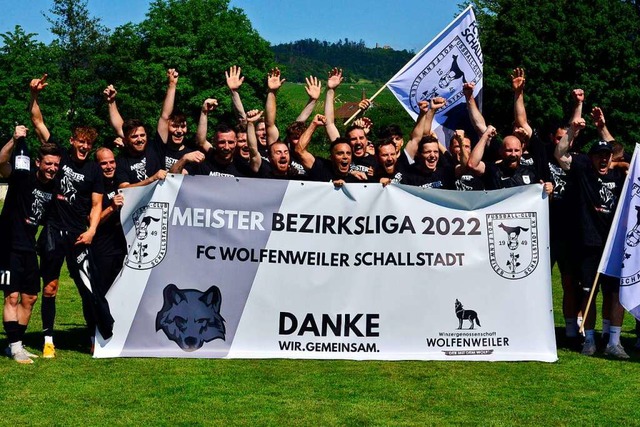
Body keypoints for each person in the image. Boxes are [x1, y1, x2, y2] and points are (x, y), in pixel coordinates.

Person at [29, 73, 111, 357]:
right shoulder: (60, 155)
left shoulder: (94, 171)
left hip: (79, 235)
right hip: (53, 231)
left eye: (88, 144)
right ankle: (48, 340)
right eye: (80, 141)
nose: (84, 147)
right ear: (73, 141)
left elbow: (97, 205)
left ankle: (93, 337)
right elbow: (38, 122)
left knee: (87, 289)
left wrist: (91, 231)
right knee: (50, 287)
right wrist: (35, 96)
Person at [554, 116, 628, 358]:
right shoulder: (583, 172)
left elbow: (618, 151)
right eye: (599, 156)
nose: (604, 159)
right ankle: (590, 339)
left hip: (614, 245)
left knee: (615, 294)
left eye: (607, 156)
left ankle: (614, 342)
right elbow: (561, 154)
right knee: (588, 292)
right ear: (592, 158)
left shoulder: (619, 176)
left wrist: (602, 128)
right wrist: (573, 131)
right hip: (588, 244)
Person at [0, 127, 61, 363]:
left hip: (29, 248)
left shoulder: (53, 187)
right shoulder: (21, 177)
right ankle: (15, 347)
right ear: (37, 162)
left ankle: (16, 344)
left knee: (30, 298)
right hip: (8, 245)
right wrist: (14, 140)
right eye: (48, 163)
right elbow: (2, 161)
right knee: (12, 296)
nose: (52, 168)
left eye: (55, 165)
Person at [104, 85, 166, 188]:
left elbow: (165, 116)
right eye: (134, 136)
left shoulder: (154, 148)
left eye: (142, 135)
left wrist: (172, 84)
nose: (140, 139)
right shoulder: (121, 161)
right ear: (125, 139)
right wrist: (111, 102)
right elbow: (124, 188)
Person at [294, 114, 366, 186]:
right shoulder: (321, 168)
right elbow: (299, 150)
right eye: (340, 153)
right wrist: (314, 124)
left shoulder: (356, 178)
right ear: (331, 157)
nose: (345, 156)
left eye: (348, 153)